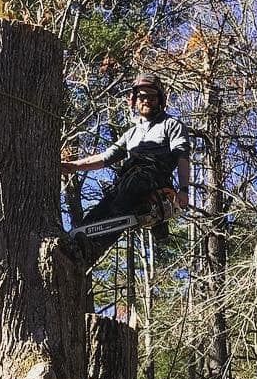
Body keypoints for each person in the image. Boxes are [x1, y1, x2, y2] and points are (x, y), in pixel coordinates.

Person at [61, 71, 190, 265]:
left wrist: (184, 190)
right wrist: (73, 166)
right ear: (135, 100)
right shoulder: (131, 133)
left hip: (152, 178)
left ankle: (96, 244)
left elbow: (182, 156)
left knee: (131, 186)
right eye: (142, 96)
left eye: (151, 97)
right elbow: (106, 157)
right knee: (98, 212)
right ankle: (83, 246)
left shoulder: (171, 125)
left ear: (160, 100)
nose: (146, 100)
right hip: (128, 182)